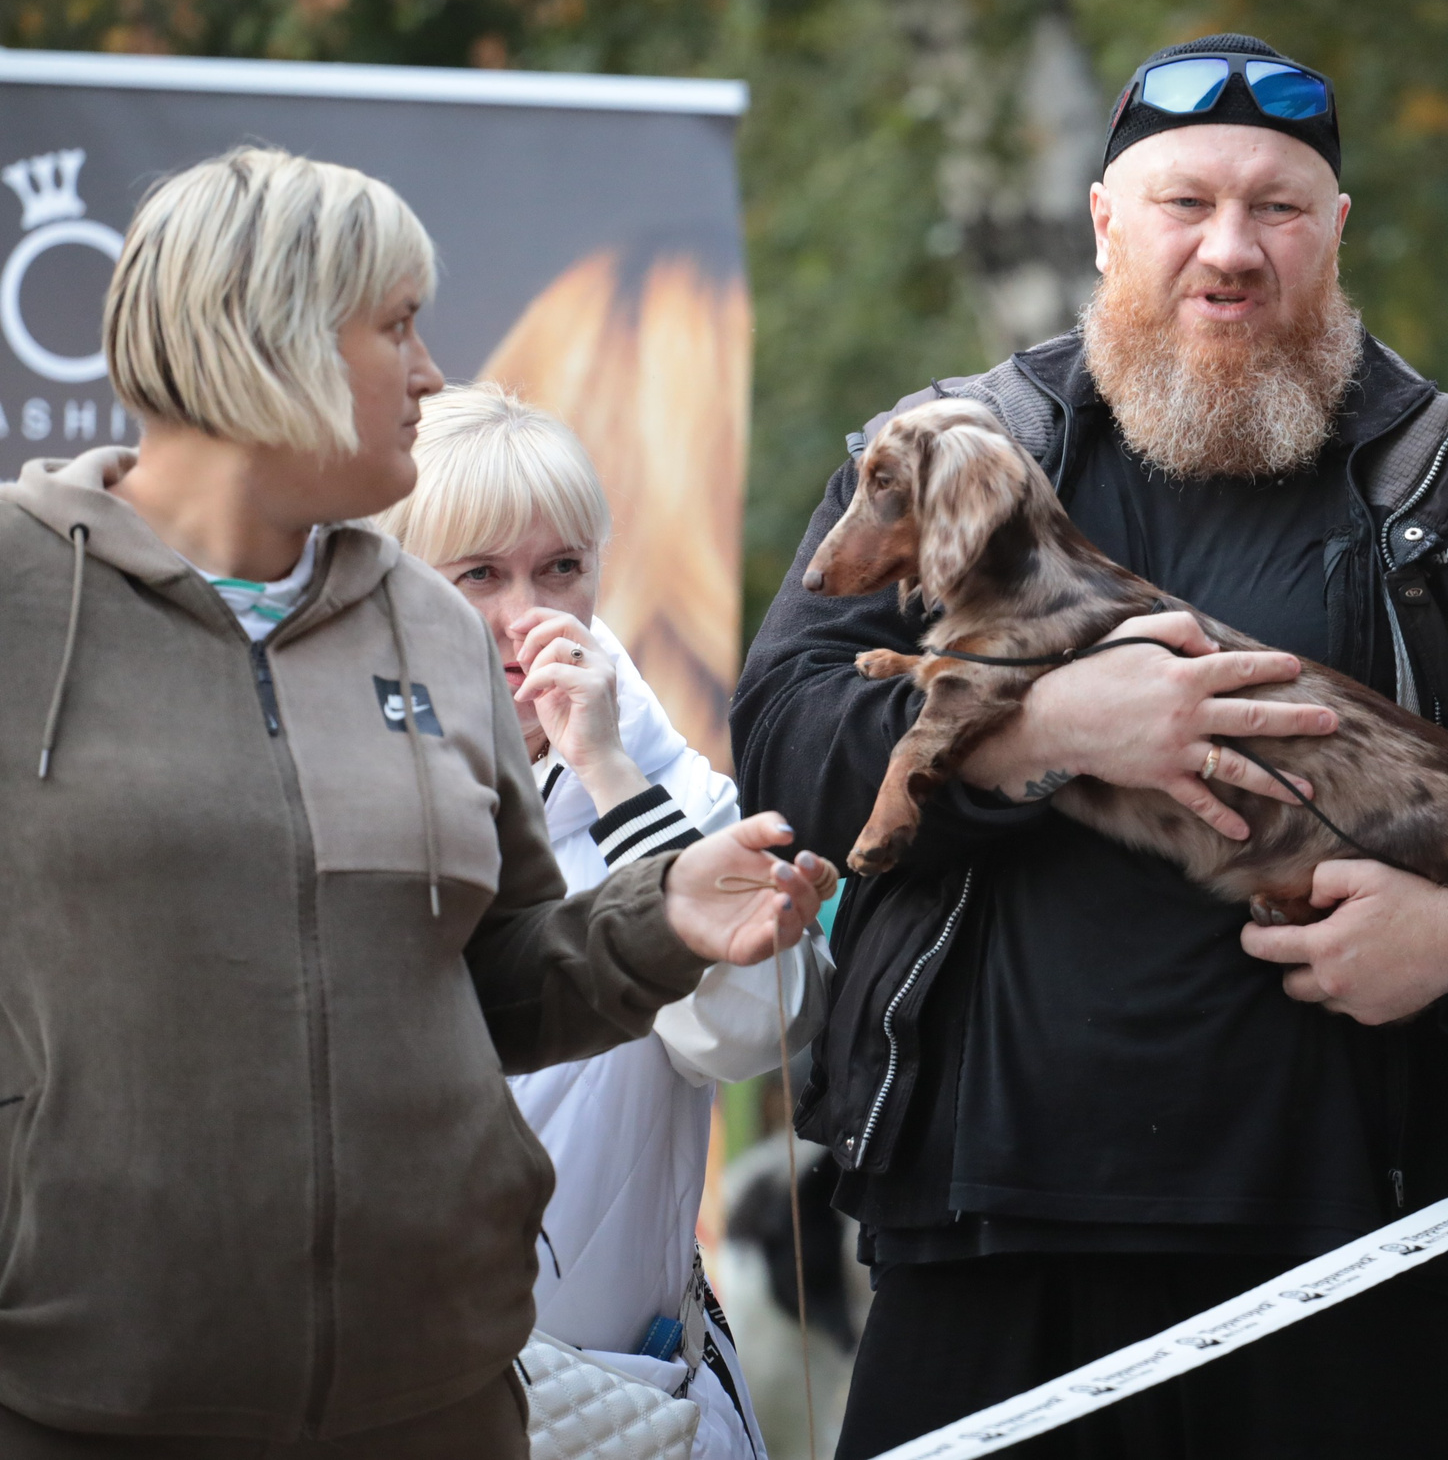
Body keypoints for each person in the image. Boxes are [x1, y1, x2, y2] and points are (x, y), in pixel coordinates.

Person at [731, 34, 1448, 1460]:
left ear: (1334, 233)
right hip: (991, 1245)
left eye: (1278, 207)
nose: (1231, 250)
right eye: (1186, 204)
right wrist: (1041, 728)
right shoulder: (955, 451)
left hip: (1378, 1253)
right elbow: (782, 724)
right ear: (1106, 221)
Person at [0, 147, 832, 1458]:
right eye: (396, 326)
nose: (433, 372)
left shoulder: (423, 626)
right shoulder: (18, 591)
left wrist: (662, 905)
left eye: (562, 564)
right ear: (262, 337)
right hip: (97, 1407)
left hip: (443, 1401)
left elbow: (486, 988)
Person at [378, 382, 837, 1460]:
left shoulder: (684, 800)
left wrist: (612, 776)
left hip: (612, 1406)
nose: (525, 612)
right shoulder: (317, 781)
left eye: (561, 569)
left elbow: (750, 1036)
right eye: (479, 574)